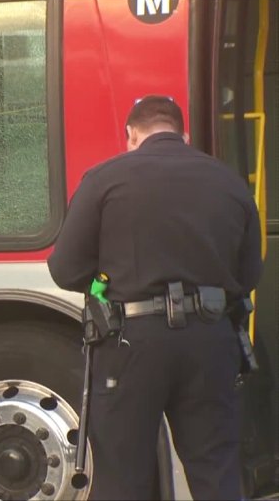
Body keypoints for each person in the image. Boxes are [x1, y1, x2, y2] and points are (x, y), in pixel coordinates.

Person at [47, 95, 262, 500]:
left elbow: (65, 270)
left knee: (124, 475)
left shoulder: (104, 178)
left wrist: (106, 277)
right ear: (184, 134)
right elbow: (248, 274)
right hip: (210, 341)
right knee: (216, 471)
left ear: (131, 134)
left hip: (131, 343)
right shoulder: (229, 181)